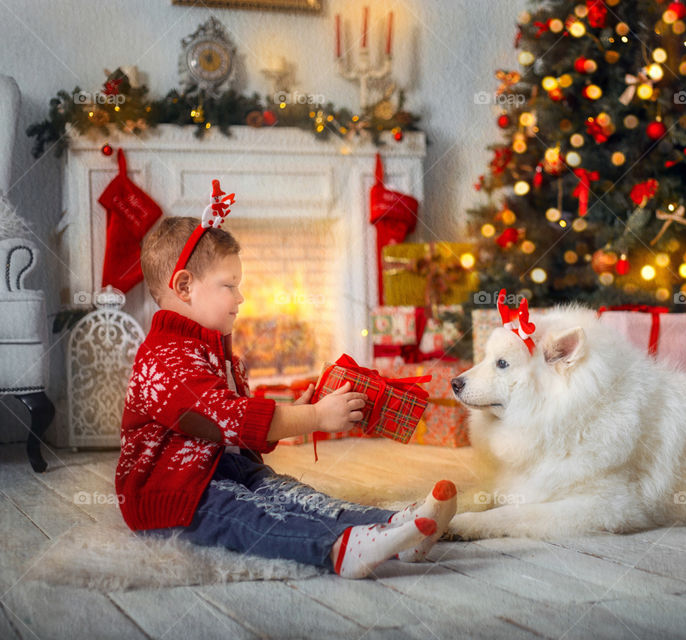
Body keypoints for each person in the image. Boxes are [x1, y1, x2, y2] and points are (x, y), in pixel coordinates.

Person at [115, 180, 457, 579]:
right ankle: (339, 547)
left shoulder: (214, 351)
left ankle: (393, 526)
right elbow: (228, 418)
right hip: (174, 491)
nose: (240, 297)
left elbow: (238, 430)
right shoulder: (164, 357)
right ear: (185, 286)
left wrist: (291, 414)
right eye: (229, 285)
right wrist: (315, 417)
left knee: (291, 494)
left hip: (223, 469)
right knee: (253, 516)